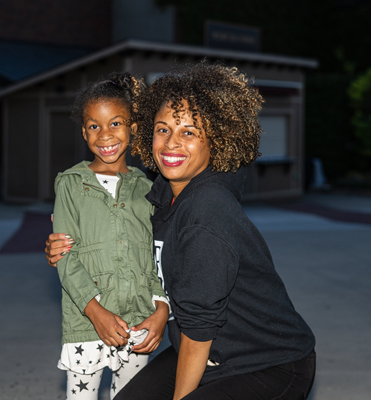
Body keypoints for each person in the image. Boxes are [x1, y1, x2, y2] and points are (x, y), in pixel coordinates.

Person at [47, 63, 316, 400]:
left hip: (267, 364)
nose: (171, 143)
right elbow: (121, 239)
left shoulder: (207, 214)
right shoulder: (157, 197)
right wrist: (62, 247)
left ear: (215, 140)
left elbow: (198, 331)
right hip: (204, 348)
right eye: (163, 129)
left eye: (189, 132)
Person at [50, 72, 169, 400]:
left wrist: (161, 309)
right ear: (83, 130)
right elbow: (64, 256)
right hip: (86, 325)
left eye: (115, 123)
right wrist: (95, 311)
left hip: (139, 324)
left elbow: (155, 256)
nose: (105, 135)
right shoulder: (71, 184)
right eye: (93, 125)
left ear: (132, 128)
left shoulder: (147, 188)